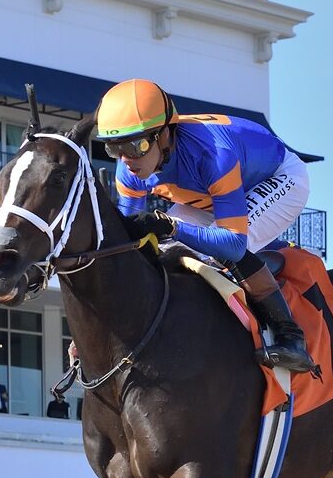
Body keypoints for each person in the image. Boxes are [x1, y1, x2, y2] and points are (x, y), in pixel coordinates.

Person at [94, 78, 315, 372]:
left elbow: (234, 244)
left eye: (136, 146)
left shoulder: (212, 153)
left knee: (219, 251)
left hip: (278, 178)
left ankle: (291, 337)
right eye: (114, 148)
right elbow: (126, 242)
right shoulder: (130, 167)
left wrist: (171, 225)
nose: (126, 160)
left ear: (163, 136)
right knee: (166, 252)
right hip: (211, 194)